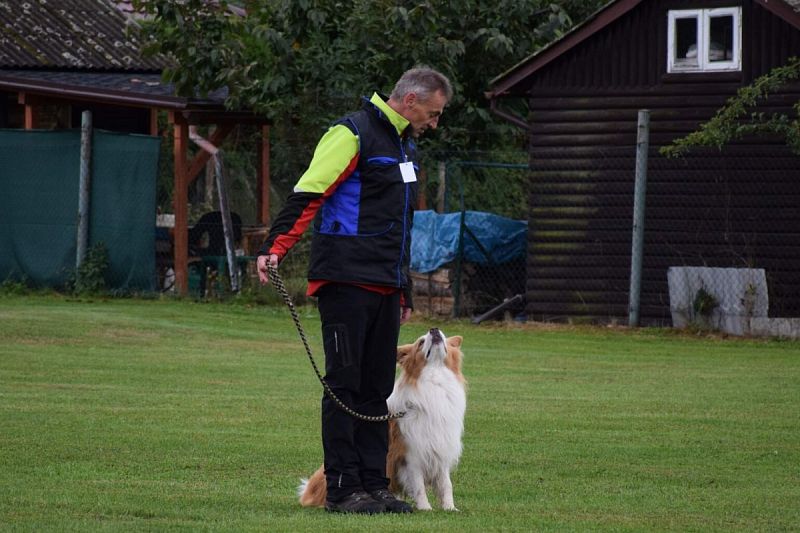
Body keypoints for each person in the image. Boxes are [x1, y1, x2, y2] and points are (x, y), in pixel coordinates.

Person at [257, 66, 452, 514]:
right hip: (345, 280)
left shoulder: (405, 144)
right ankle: (343, 488)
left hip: (386, 285)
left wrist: (404, 292)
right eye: (433, 113)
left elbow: (401, 228)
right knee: (345, 384)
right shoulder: (351, 133)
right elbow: (309, 192)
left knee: (377, 388)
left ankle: (375, 484)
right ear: (410, 101)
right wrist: (275, 247)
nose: (434, 123)